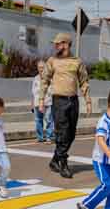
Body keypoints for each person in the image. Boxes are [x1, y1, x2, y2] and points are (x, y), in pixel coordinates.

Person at [39, 32, 91, 179]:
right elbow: (44, 81)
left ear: (66, 44)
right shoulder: (52, 61)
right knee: (62, 132)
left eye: (58, 43)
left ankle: (55, 160)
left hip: (73, 101)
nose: (55, 46)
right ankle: (63, 164)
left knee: (71, 133)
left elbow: (84, 81)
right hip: (58, 101)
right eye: (55, 44)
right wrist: (41, 100)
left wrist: (87, 101)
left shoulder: (77, 62)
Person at [31, 60, 54, 143]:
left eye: (42, 67)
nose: (41, 69)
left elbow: (52, 91)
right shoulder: (35, 79)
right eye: (39, 67)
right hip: (37, 103)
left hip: (48, 102)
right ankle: (40, 137)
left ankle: (49, 137)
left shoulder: (50, 78)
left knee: (49, 120)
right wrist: (32, 104)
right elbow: (33, 93)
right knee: (38, 120)